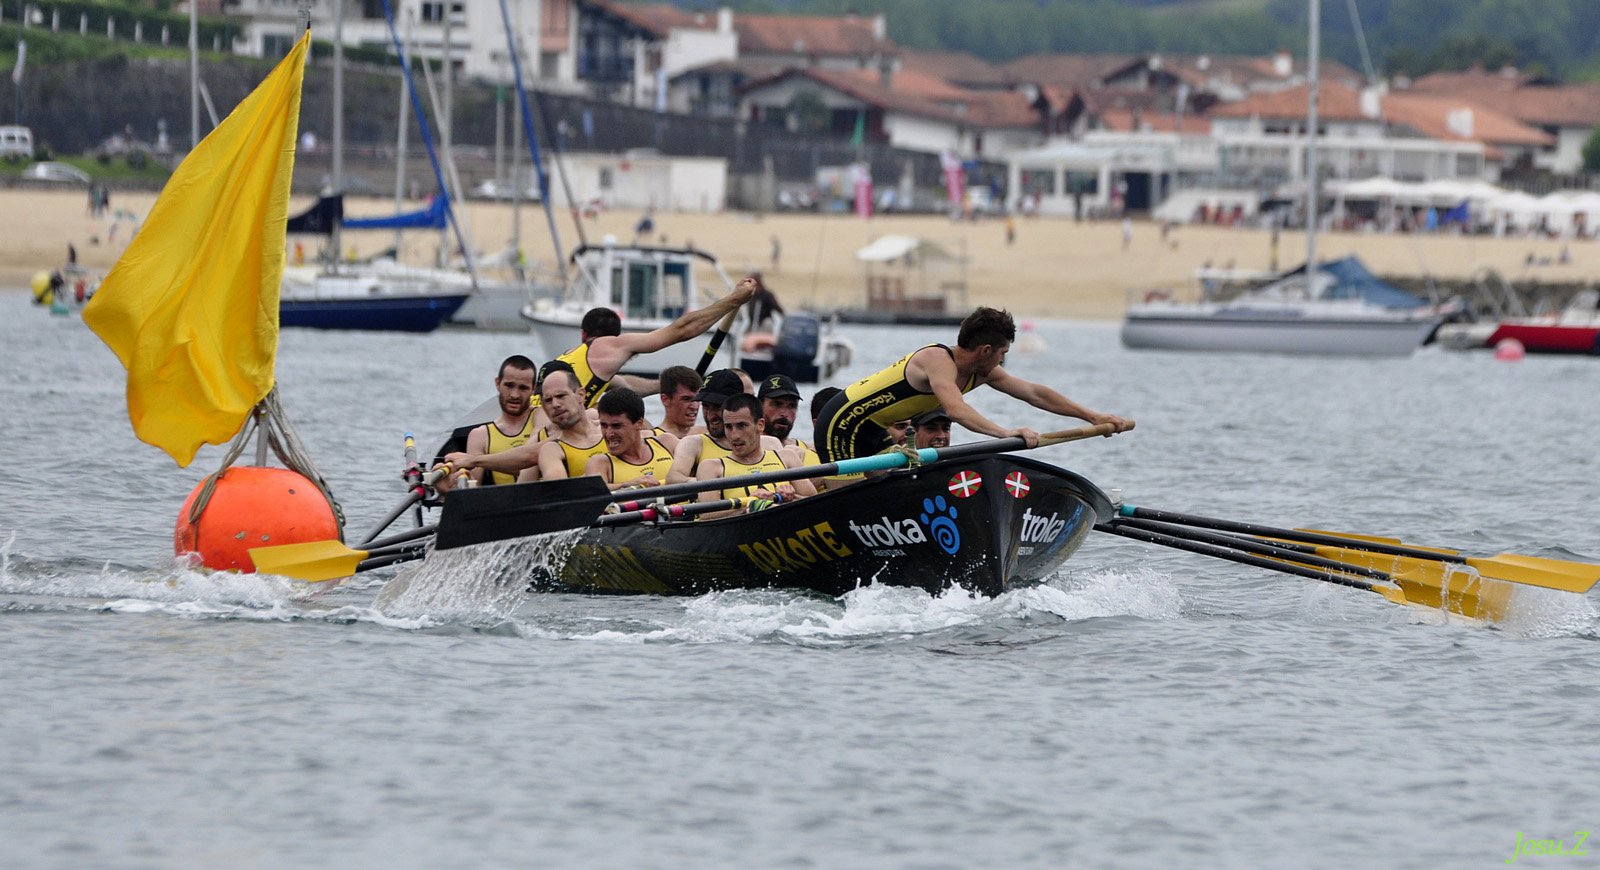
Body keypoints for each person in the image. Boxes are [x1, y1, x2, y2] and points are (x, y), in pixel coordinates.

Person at [814, 306, 1131, 464]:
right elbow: (955, 409)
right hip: (842, 423)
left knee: (894, 482)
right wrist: (1005, 433)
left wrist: (1092, 416)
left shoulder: (983, 372)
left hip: (874, 429)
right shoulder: (937, 360)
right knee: (851, 495)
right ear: (985, 351)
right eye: (1003, 353)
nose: (1003, 361)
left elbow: (1035, 394)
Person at [538, 275, 758, 409]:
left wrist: (672, 385)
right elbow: (681, 329)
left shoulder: (571, 355)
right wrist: (733, 300)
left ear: (583, 334)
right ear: (616, 336)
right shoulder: (607, 346)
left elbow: (627, 386)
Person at [695, 394, 815, 517]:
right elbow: (706, 516)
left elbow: (816, 504)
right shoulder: (711, 467)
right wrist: (750, 505)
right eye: (728, 427)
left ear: (760, 425)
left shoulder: (787, 457)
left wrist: (791, 498)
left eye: (742, 426)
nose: (734, 435)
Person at [667, 369, 779, 483]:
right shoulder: (693, 444)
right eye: (706, 406)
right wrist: (712, 480)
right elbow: (672, 479)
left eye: (717, 407)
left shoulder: (771, 444)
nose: (710, 416)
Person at [460, 355, 538, 486]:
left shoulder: (542, 417)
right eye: (509, 386)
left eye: (523, 388)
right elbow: (471, 488)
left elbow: (532, 458)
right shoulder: (480, 436)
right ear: (497, 383)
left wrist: (476, 460)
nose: (515, 395)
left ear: (533, 389)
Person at [584, 388, 677, 491]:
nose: (609, 434)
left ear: (639, 424)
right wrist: (627, 485)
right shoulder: (600, 463)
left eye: (616, 426)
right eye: (604, 425)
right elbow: (596, 491)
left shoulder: (667, 443)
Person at [758, 374, 820, 465]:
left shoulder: (807, 450)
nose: (784, 414)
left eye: (792, 406)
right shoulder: (744, 450)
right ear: (759, 406)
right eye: (777, 404)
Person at [655, 365, 703, 439]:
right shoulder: (649, 440)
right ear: (665, 399)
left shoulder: (709, 436)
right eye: (686, 399)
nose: (694, 406)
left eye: (697, 399)